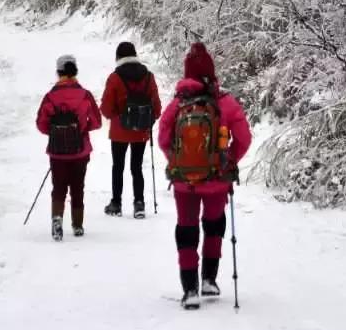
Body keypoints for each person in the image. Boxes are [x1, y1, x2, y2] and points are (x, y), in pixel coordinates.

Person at [159, 42, 251, 309]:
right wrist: (228, 160)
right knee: (214, 226)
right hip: (216, 180)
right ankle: (209, 279)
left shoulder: (177, 105)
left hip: (184, 183)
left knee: (186, 230)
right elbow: (244, 139)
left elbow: (163, 138)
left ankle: (189, 290)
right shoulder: (226, 103)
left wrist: (179, 163)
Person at [35, 54, 102, 241]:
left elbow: (41, 124)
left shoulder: (50, 97)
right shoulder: (85, 95)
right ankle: (78, 225)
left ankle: (57, 219)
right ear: (75, 71)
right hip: (80, 150)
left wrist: (57, 133)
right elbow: (97, 122)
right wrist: (81, 130)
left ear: (59, 72)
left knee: (58, 187)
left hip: (57, 152)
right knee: (77, 187)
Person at [100, 41, 162, 218]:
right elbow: (156, 106)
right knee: (137, 167)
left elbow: (105, 108)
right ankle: (139, 203)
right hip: (141, 130)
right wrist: (149, 119)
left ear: (118, 57)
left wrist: (116, 117)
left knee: (117, 166)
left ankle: (116, 203)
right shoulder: (148, 76)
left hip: (119, 131)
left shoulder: (115, 78)